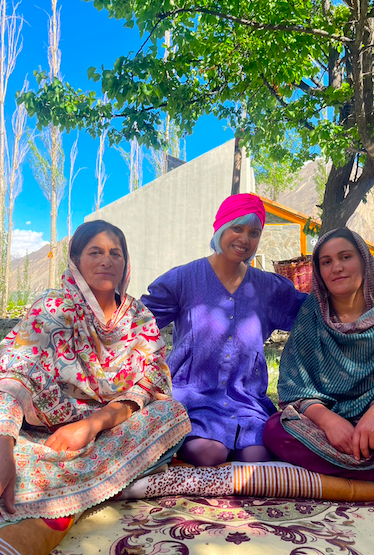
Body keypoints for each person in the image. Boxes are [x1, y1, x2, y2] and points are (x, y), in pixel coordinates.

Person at [0, 220, 190, 519]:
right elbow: (13, 376)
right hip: (46, 436)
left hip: (109, 429)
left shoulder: (138, 316)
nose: (106, 260)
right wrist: (4, 446)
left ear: (126, 263)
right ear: (76, 262)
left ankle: (69, 486)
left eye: (115, 253)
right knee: (10, 451)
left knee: (172, 415)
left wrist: (92, 425)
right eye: (95, 252)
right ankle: (116, 482)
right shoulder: (53, 306)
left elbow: (153, 382)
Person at [263, 227, 374, 501]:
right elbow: (295, 387)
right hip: (333, 430)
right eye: (327, 261)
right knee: (276, 431)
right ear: (319, 272)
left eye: (346, 257)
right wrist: (329, 420)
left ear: (364, 261)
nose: (337, 268)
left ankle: (348, 464)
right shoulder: (312, 318)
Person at [142, 193, 307, 467]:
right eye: (237, 228)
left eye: (254, 232)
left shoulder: (268, 288)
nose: (245, 239)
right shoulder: (184, 279)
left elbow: (311, 315)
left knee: (258, 457)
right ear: (220, 227)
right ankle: (180, 440)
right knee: (211, 453)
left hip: (245, 401)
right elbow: (137, 322)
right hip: (192, 398)